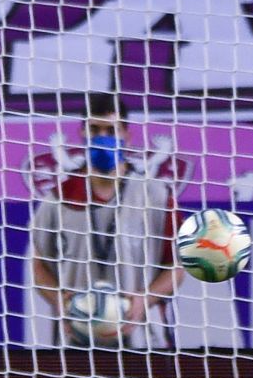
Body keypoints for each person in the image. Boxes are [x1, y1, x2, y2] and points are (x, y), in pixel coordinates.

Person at [28, 92, 183, 348]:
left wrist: (144, 299)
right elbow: (39, 267)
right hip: (77, 339)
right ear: (83, 133)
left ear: (126, 135)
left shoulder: (155, 195)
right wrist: (60, 300)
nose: (102, 138)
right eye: (94, 129)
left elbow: (176, 266)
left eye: (111, 130)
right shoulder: (59, 198)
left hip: (141, 339)